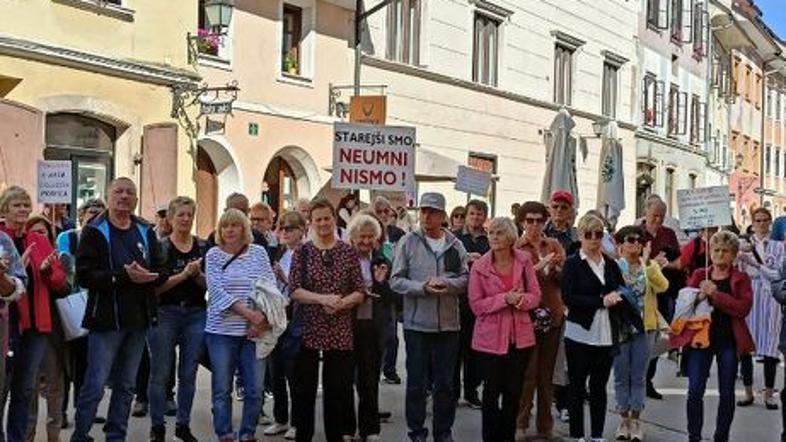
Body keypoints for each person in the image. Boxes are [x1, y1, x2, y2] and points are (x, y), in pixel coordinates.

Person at [70, 177, 166, 442]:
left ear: (136, 199)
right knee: (95, 384)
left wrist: (152, 276)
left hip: (138, 320)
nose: (124, 196)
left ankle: (116, 435)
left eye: (130, 192)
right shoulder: (94, 230)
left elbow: (162, 269)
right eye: (118, 192)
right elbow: (84, 276)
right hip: (105, 321)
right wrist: (123, 276)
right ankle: (80, 435)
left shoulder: (146, 230)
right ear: (108, 196)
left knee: (126, 386)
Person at [391, 192, 469, 442]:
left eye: (432, 212)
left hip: (448, 325)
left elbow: (465, 279)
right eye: (424, 211)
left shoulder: (455, 244)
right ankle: (416, 432)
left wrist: (447, 284)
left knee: (445, 385)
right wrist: (422, 287)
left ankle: (443, 432)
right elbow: (396, 280)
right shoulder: (408, 242)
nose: (426, 216)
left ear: (442, 215)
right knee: (416, 383)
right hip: (417, 325)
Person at [561, 214, 643, 442]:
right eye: (588, 234)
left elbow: (622, 288)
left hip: (606, 334)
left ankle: (597, 435)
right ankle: (577, 435)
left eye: (598, 234)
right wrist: (601, 301)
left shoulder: (610, 263)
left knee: (599, 387)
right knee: (577, 386)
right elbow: (568, 297)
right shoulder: (572, 263)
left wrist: (618, 297)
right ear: (580, 236)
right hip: (579, 334)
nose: (593, 239)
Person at [289, 198, 365, 441]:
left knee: (337, 392)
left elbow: (360, 290)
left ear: (334, 219)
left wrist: (341, 302)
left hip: (339, 329)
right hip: (308, 329)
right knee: (304, 391)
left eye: (327, 218)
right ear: (311, 223)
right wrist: (322, 299)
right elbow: (294, 290)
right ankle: (303, 435)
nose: (323, 223)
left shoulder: (348, 252)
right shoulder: (302, 252)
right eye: (318, 219)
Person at [0, 187, 67, 442]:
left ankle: (18, 438)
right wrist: (16, 270)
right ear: (4, 209)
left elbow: (60, 281)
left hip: (36, 325)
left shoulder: (38, 239)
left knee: (25, 389)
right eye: (16, 205)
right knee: (2, 388)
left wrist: (47, 271)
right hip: (7, 324)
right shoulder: (1, 239)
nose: (23, 209)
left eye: (26, 205)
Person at [205, 208, 275, 442]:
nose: (230, 230)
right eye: (225, 226)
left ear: (244, 228)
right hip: (221, 332)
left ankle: (247, 434)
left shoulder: (259, 253)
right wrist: (249, 314)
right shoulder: (213, 255)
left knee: (255, 388)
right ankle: (224, 433)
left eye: (235, 225)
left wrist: (261, 318)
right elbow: (216, 291)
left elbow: (269, 287)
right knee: (222, 388)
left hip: (255, 332)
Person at [469, 217, 540, 442]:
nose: (494, 237)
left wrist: (521, 301)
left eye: (499, 233)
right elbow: (476, 305)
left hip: (519, 338)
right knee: (491, 394)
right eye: (491, 233)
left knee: (513, 393)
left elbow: (536, 296)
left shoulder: (524, 260)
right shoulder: (479, 266)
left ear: (510, 237)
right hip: (489, 340)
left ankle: (507, 437)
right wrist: (504, 299)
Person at [148, 197, 208, 442]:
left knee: (189, 372)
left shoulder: (202, 247)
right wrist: (184, 274)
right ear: (170, 219)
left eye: (189, 215)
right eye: (180, 215)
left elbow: (211, 285)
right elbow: (155, 289)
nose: (185, 219)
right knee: (160, 373)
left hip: (196, 314)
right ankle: (157, 427)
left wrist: (197, 275)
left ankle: (183, 425)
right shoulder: (160, 247)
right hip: (165, 313)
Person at [684, 231, 753, 442]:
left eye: (725, 251)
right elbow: (684, 307)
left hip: (728, 341)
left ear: (734, 254)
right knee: (695, 390)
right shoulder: (699, 275)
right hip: (700, 340)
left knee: (727, 392)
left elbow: (743, 308)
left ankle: (721, 437)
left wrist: (716, 295)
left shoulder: (741, 278)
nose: (720, 254)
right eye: (716, 250)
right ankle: (694, 436)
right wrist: (698, 297)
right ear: (710, 252)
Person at [612, 225, 669, 441]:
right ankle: (623, 419)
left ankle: (636, 420)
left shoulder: (649, 265)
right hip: (621, 327)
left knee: (638, 376)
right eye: (630, 240)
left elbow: (663, 286)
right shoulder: (614, 267)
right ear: (621, 244)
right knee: (620, 375)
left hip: (645, 327)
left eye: (639, 240)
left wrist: (647, 264)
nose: (635, 244)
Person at [514, 201, 566, 440]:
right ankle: (520, 424)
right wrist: (538, 267)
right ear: (522, 222)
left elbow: (565, 280)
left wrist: (555, 269)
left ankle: (545, 426)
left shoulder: (553, 245)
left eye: (539, 220)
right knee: (527, 373)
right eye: (530, 220)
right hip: (527, 317)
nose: (535, 225)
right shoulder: (517, 247)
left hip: (552, 315)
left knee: (547, 375)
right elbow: (515, 280)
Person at [55, 198, 106, 428]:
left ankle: (84, 410)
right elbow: (66, 266)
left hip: (95, 307)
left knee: (88, 364)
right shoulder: (68, 237)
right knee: (67, 364)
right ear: (81, 215)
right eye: (91, 211)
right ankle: (61, 411)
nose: (95, 216)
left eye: (100, 212)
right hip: (71, 306)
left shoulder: (105, 239)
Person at [23, 215, 70, 442]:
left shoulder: (58, 258)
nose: (37, 237)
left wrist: (48, 272)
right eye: (33, 232)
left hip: (52, 330)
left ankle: (54, 435)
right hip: (27, 329)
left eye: (42, 232)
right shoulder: (20, 256)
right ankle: (28, 434)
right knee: (29, 386)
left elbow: (65, 288)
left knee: (54, 383)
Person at [349, 214, 395, 442]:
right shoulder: (344, 259)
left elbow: (392, 298)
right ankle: (347, 428)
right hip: (347, 325)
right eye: (362, 236)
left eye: (370, 236)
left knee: (369, 379)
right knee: (345, 379)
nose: (366, 241)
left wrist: (380, 283)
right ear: (353, 237)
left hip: (372, 327)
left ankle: (370, 428)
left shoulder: (381, 261)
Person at [264, 211, 306, 440]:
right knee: (275, 370)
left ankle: (298, 422)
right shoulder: (280, 252)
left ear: (302, 230)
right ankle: (280, 418)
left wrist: (284, 278)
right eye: (282, 228)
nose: (284, 232)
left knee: (294, 372)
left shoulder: (306, 254)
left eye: (290, 228)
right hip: (276, 314)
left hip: (296, 315)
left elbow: (305, 288)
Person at [736, 208, 783, 409]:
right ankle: (748, 393)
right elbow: (737, 271)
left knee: (771, 345)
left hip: (771, 297)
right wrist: (739, 255)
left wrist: (755, 264)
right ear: (752, 222)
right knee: (746, 344)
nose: (761, 224)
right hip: (750, 293)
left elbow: (777, 274)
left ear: (770, 222)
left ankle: (769, 394)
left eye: (765, 220)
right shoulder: (743, 245)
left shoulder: (778, 247)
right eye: (758, 220)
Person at [639, 196, 682, 400]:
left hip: (665, 291)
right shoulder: (636, 233)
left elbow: (679, 259)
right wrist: (651, 262)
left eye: (662, 216)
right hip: (642, 291)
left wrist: (668, 263)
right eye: (655, 215)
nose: (658, 220)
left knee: (658, 338)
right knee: (641, 336)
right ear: (645, 212)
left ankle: (648, 379)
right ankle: (637, 378)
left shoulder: (669, 233)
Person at [453, 200, 490, 408]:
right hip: (458, 300)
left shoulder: (490, 239)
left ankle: (471, 391)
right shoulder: (455, 238)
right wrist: (466, 258)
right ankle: (452, 392)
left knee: (475, 351)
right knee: (454, 350)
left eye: (480, 214)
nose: (476, 217)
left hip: (481, 303)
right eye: (473, 213)